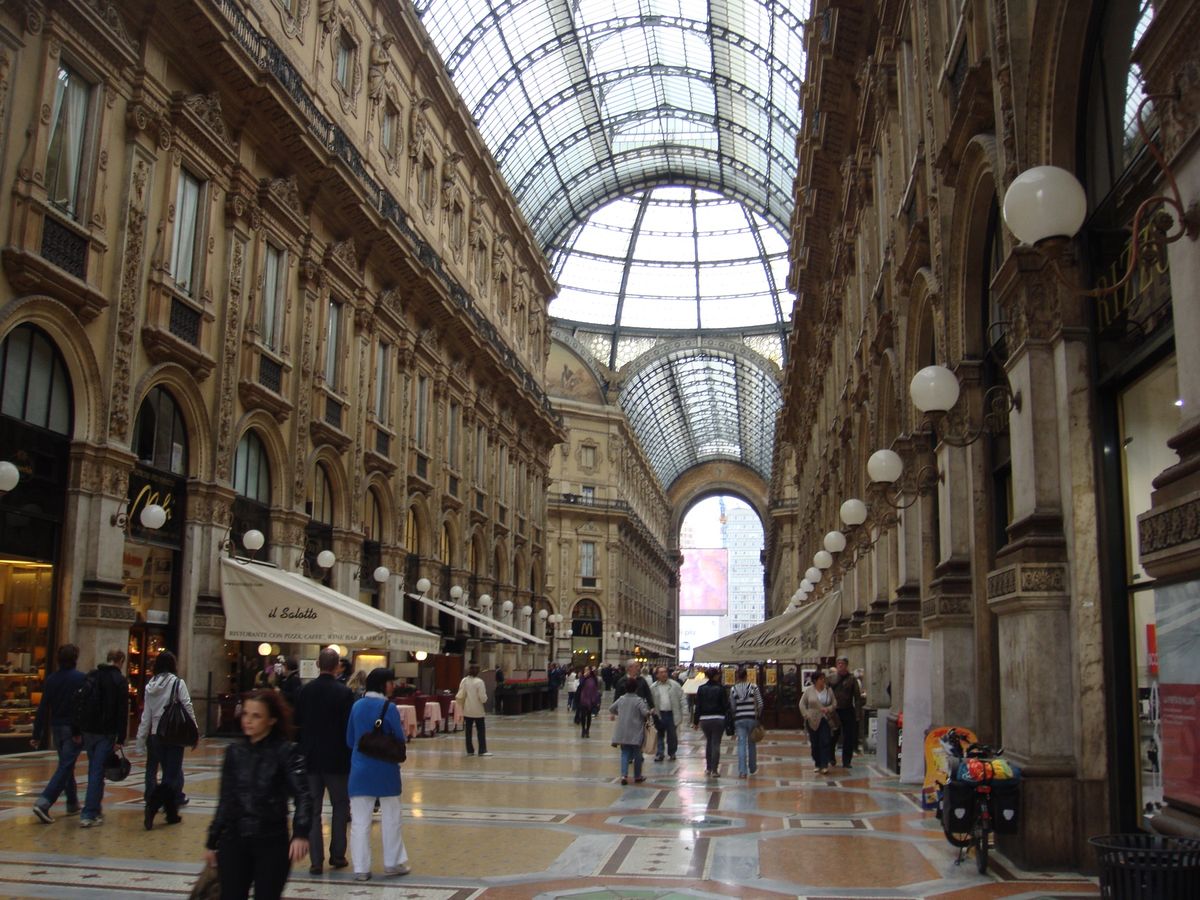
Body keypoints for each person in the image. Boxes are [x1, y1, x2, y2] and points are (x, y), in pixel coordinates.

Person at [204, 690, 311, 899]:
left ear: (271, 720)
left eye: (256, 716)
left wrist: (301, 833)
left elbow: (303, 795)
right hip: (234, 839)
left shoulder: (286, 752)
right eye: (245, 714)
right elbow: (226, 799)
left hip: (271, 840)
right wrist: (212, 840)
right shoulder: (234, 753)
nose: (248, 721)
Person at [345, 668, 411, 881]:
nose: (393, 686)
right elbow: (399, 738)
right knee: (391, 817)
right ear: (382, 685)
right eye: (391, 682)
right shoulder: (389, 708)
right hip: (386, 771)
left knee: (360, 822)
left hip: (360, 771)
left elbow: (350, 739)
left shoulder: (356, 706)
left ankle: (361, 868)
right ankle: (393, 863)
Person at [293, 648, 354, 875]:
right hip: (337, 759)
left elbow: (297, 721)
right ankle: (337, 855)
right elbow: (348, 726)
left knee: (313, 810)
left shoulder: (304, 691)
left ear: (318, 664)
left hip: (310, 758)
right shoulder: (344, 693)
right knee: (340, 806)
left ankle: (316, 861)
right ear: (337, 666)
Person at [135, 650, 196, 828]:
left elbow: (146, 715)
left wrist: (140, 740)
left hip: (155, 736)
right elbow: (187, 706)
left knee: (169, 776)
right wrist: (194, 732)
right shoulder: (177, 683)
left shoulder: (150, 685)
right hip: (173, 735)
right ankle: (153, 806)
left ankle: (171, 814)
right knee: (170, 777)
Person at [73, 648, 129, 828]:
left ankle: (95, 809)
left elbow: (79, 702)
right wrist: (121, 737)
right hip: (106, 732)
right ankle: (88, 813)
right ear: (120, 660)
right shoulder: (119, 680)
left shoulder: (92, 675)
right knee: (97, 771)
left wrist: (77, 729)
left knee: (95, 768)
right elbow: (122, 712)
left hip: (88, 730)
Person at [31, 643, 87, 823]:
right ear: (75, 659)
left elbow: (43, 707)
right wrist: (81, 729)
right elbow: (82, 708)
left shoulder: (51, 679)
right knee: (65, 766)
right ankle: (44, 802)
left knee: (66, 763)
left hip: (56, 727)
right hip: (73, 729)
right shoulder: (81, 679)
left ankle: (72, 803)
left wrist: (36, 734)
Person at [692, 667, 730, 778]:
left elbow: (697, 706)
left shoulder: (701, 689)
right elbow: (725, 705)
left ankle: (708, 768)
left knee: (709, 742)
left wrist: (695, 721)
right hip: (718, 718)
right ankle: (714, 770)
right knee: (716, 743)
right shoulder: (721, 689)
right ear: (716, 676)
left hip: (704, 719)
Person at [609, 686, 652, 785]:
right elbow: (645, 713)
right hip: (636, 731)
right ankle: (637, 776)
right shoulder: (638, 700)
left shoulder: (621, 699)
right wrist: (649, 712)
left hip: (623, 731)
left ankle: (624, 775)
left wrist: (620, 713)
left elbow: (611, 708)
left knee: (624, 753)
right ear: (636, 689)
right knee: (637, 754)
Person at [800, 670, 836, 774]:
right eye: (820, 679)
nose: (823, 681)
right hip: (812, 719)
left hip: (825, 719)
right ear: (815, 680)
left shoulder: (828, 690)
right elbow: (802, 704)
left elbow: (834, 703)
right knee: (815, 743)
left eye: (823, 678)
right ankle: (817, 763)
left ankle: (824, 765)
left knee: (825, 741)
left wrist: (829, 709)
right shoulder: (809, 691)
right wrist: (806, 714)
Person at [730, 667, 763, 778]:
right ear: (746, 676)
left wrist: (735, 714)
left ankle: (742, 771)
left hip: (739, 719)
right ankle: (752, 768)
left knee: (741, 744)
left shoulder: (733, 689)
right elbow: (760, 703)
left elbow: (733, 706)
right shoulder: (754, 687)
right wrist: (758, 714)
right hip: (752, 718)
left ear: (737, 677)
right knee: (752, 743)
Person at [831, 656, 864, 768]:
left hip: (848, 709)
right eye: (839, 663)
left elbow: (857, 697)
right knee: (834, 735)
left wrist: (858, 713)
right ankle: (831, 757)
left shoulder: (852, 679)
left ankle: (846, 760)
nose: (840, 666)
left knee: (848, 737)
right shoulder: (831, 679)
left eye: (842, 664)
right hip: (834, 711)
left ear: (846, 665)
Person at [455, 664, 491, 756]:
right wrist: (485, 699)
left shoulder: (464, 680)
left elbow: (461, 694)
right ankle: (482, 750)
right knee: (481, 731)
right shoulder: (479, 682)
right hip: (478, 710)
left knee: (468, 731)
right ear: (478, 671)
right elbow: (482, 697)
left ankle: (470, 750)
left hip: (467, 709)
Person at [650, 665, 684, 762]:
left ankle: (672, 752)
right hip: (659, 714)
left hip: (671, 714)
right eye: (661, 672)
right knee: (659, 734)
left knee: (672, 735)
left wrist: (684, 711)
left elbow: (682, 698)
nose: (664, 674)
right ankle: (660, 753)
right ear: (657, 675)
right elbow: (649, 700)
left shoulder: (675, 685)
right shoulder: (653, 687)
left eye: (665, 672)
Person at [576, 666, 600, 738]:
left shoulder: (594, 679)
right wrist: (583, 677)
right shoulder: (582, 678)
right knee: (583, 716)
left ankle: (587, 730)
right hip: (583, 699)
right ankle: (583, 729)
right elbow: (580, 685)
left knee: (589, 716)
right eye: (585, 670)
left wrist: (597, 700)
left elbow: (595, 689)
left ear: (590, 671)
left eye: (588, 670)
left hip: (591, 699)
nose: (586, 671)